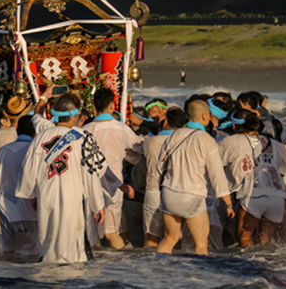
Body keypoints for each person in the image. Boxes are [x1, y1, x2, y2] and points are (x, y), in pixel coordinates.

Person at [16, 93, 107, 263]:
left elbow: (28, 167)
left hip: (46, 196)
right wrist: (98, 204)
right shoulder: (81, 138)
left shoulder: (40, 137)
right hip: (72, 196)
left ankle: (49, 276)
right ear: (74, 117)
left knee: (48, 238)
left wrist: (32, 194)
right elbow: (90, 173)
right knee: (72, 243)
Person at [155, 99, 235, 255]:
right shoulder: (206, 139)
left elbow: (160, 165)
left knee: (169, 239)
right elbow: (216, 173)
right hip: (192, 195)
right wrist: (228, 202)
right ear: (204, 117)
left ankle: (159, 272)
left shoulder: (174, 135)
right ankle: (199, 277)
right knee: (201, 244)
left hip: (169, 193)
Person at [219, 109, 286, 247]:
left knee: (244, 237)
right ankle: (264, 265)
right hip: (276, 199)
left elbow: (213, 163)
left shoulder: (229, 142)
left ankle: (249, 267)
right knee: (264, 242)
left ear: (233, 126)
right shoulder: (272, 143)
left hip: (252, 197)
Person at [82, 87, 144, 249]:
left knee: (93, 233)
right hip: (114, 185)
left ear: (95, 106)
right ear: (112, 105)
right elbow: (140, 148)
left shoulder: (85, 130)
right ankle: (119, 267)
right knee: (111, 231)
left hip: (89, 186)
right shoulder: (121, 128)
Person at [0, 115, 38, 255]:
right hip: (30, 210)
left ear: (17, 132)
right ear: (35, 132)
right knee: (31, 252)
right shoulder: (36, 151)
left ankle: (7, 277)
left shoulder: (4, 150)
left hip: (5, 209)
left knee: (8, 252)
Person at [142, 107, 187, 247]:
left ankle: (152, 266)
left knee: (151, 238)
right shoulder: (186, 143)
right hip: (177, 191)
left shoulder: (150, 142)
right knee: (175, 238)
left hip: (154, 190)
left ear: (166, 121)